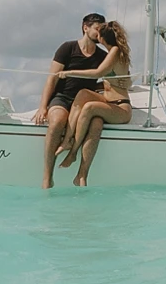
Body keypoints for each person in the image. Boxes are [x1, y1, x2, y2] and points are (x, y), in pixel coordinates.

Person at [34, 12, 108, 189]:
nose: (100, 34)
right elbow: (51, 79)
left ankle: (81, 175)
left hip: (84, 103)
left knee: (96, 123)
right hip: (62, 98)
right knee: (57, 121)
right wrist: (42, 107)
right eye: (98, 29)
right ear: (85, 28)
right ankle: (47, 176)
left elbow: (105, 81)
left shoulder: (102, 56)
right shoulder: (67, 48)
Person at [55, 21, 132, 186]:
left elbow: (97, 73)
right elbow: (124, 79)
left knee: (90, 107)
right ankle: (68, 141)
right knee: (84, 95)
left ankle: (73, 151)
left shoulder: (115, 51)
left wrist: (68, 73)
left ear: (103, 38)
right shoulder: (116, 52)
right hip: (109, 101)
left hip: (121, 107)